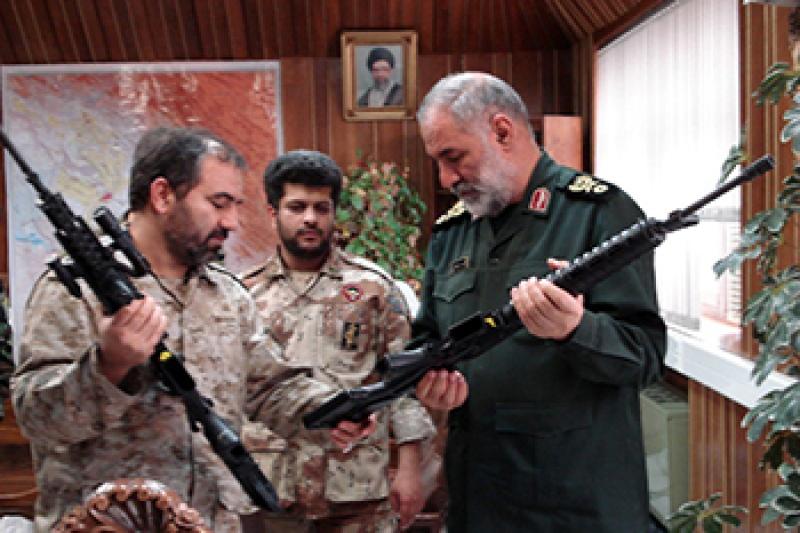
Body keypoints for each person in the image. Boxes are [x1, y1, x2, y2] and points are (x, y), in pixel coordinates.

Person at [10, 128, 373, 533]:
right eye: (219, 204)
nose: (232, 222)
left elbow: (270, 388)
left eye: (235, 206)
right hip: (109, 522)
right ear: (163, 195)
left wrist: (332, 411)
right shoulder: (75, 291)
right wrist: (109, 366)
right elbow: (36, 418)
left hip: (207, 522)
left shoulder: (226, 295)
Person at [409, 72, 667, 531]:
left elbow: (643, 355)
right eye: (438, 162)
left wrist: (576, 330)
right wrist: (428, 382)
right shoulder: (453, 233)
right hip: (480, 497)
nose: (446, 178)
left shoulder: (597, 214)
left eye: (454, 157)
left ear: (502, 131)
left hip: (573, 503)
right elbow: (427, 338)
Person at [239, 150, 435, 532]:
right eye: (297, 207)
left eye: (321, 208)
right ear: (273, 212)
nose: (310, 219)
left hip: (356, 488)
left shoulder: (373, 288)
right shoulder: (245, 295)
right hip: (276, 486)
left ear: (334, 213)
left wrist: (410, 468)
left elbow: (403, 383)